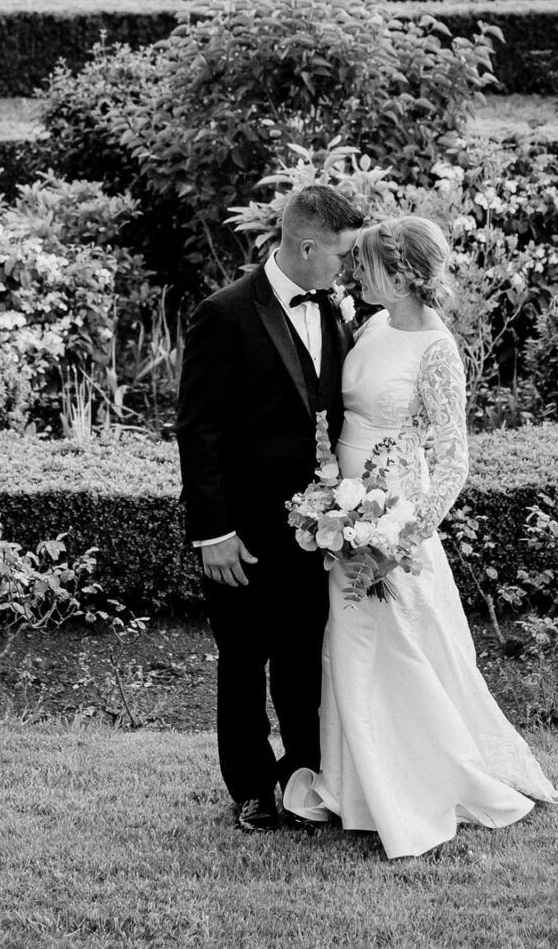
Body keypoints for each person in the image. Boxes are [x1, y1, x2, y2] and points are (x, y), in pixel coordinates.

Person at [282, 213, 558, 859]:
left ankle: (417, 783)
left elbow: (453, 458)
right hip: (344, 515)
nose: (357, 272)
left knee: (400, 649)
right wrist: (332, 498)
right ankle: (354, 788)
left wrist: (401, 539)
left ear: (404, 273)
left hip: (392, 526)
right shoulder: (372, 325)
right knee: (347, 646)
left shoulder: (437, 349)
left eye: (371, 265)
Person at [175, 182, 365, 834]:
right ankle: (251, 786)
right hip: (244, 534)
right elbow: (197, 432)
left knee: (301, 658)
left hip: (317, 530)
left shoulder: (336, 310)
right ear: (306, 244)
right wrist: (215, 532)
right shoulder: (224, 313)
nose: (344, 268)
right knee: (243, 659)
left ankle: (303, 777)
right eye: (339, 255)